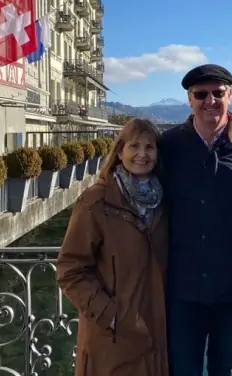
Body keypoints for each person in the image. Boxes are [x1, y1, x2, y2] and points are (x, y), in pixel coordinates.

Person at [159, 63, 232, 376]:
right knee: (182, 369)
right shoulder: (168, 145)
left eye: (218, 93)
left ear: (230, 95)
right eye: (201, 94)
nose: (210, 100)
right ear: (190, 99)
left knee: (224, 369)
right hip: (182, 288)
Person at [56, 118, 169, 376]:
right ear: (120, 152)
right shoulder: (96, 201)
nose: (142, 154)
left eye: (149, 147)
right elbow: (70, 269)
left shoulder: (164, 201)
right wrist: (111, 315)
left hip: (155, 334)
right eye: (134, 146)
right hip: (111, 338)